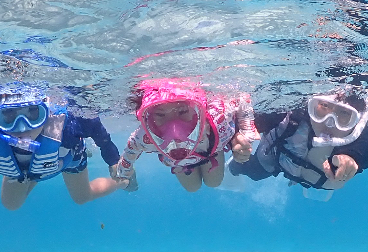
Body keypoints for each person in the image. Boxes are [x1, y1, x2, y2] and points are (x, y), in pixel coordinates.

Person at [0, 83, 123, 219]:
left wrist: (113, 160)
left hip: (66, 157)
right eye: (8, 116)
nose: (22, 126)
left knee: (82, 197)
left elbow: (96, 129)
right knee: (11, 204)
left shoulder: (66, 127)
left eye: (32, 113)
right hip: (24, 170)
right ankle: (34, 170)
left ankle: (122, 182)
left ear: (46, 112)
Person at [228, 86, 368, 200]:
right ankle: (232, 168)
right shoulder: (291, 114)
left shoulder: (356, 134)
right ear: (312, 105)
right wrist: (236, 138)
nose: (329, 122)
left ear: (355, 120)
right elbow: (249, 120)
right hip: (276, 161)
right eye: (324, 106)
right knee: (254, 172)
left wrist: (352, 157)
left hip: (316, 180)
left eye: (344, 113)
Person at [109, 78, 258, 192]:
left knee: (213, 183)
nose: (174, 130)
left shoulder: (217, 118)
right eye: (160, 114)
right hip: (180, 162)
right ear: (149, 118)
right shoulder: (145, 136)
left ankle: (221, 162)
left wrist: (245, 134)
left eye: (182, 111)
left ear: (200, 110)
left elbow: (242, 98)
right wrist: (124, 172)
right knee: (192, 188)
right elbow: (130, 152)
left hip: (209, 151)